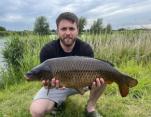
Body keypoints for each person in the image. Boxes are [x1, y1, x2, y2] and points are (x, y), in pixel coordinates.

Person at [30, 12, 106, 117]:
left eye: (71, 28)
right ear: (57, 31)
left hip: (81, 83)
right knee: (36, 111)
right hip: (56, 86)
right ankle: (57, 103)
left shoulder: (86, 49)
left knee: (103, 77)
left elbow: (91, 81)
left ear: (77, 31)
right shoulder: (47, 50)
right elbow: (45, 80)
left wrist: (93, 82)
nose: (68, 32)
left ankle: (90, 107)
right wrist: (48, 84)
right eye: (63, 29)